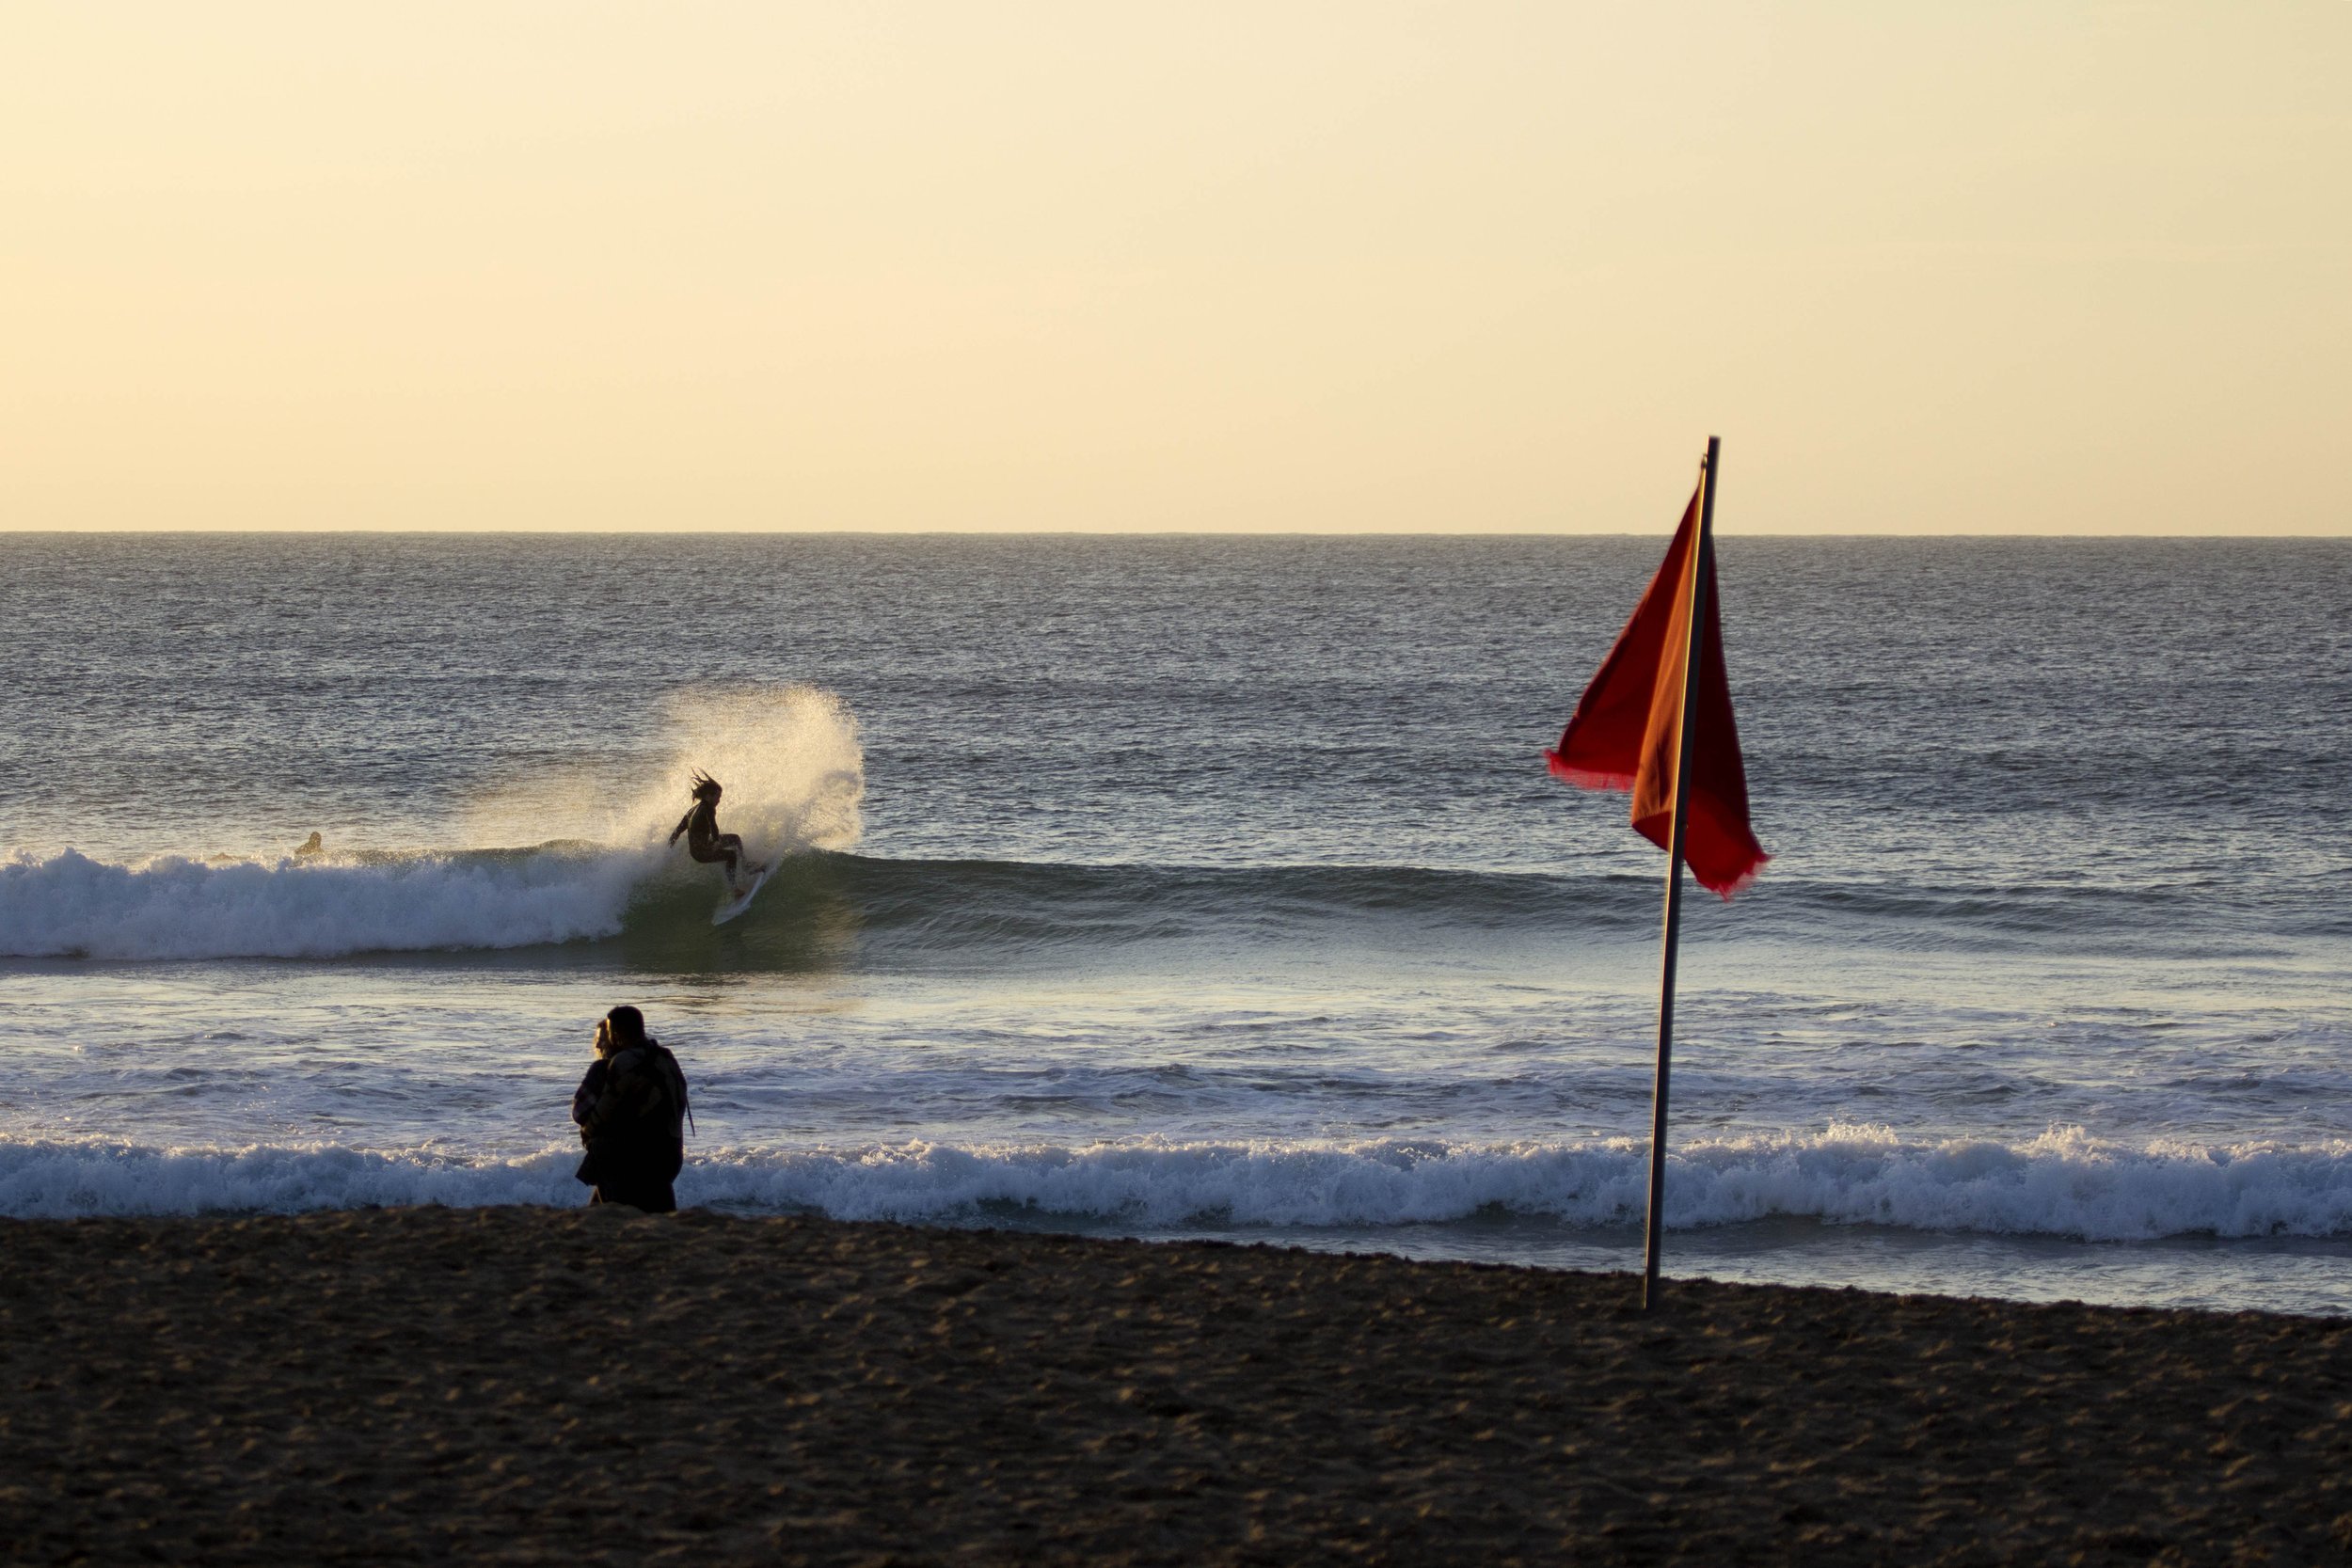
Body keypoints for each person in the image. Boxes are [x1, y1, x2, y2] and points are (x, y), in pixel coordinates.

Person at [571, 1005, 691, 1212]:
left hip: (633, 1162)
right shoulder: (666, 1058)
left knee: (613, 1209)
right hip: (670, 1158)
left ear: (616, 1033)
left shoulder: (621, 1063)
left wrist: (588, 1134)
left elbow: (586, 1114)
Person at [669, 771, 764, 893]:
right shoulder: (708, 808)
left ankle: (745, 866)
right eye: (717, 797)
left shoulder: (691, 811)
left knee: (735, 838)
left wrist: (667, 851)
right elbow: (713, 825)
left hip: (698, 850)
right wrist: (716, 842)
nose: (719, 800)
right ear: (708, 796)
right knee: (731, 855)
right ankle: (734, 888)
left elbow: (676, 832)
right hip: (702, 852)